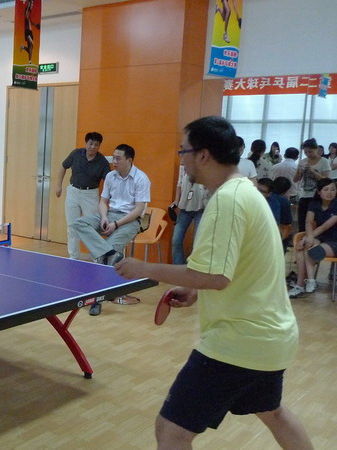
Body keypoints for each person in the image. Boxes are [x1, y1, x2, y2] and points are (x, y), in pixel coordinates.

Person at [114, 116, 312, 450]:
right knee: (272, 412)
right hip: (271, 336)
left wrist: (144, 268)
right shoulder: (244, 191)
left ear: (203, 155)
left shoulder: (227, 201)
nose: (181, 159)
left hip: (239, 341)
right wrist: (195, 289)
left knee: (171, 431)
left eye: (184, 151)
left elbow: (216, 277)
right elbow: (235, 267)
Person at [73, 143, 150, 316]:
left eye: (118, 158)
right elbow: (103, 201)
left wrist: (116, 224)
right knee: (79, 223)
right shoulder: (110, 176)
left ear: (129, 160)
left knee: (104, 260)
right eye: (113, 158)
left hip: (130, 220)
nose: (114, 161)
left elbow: (138, 210)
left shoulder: (141, 178)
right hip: (110, 215)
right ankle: (109, 252)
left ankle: (97, 301)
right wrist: (104, 217)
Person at [53, 132, 110, 259]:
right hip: (73, 192)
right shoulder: (76, 154)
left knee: (92, 227)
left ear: (99, 146)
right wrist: (58, 185)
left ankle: (97, 257)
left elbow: (108, 181)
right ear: (86, 143)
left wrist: (106, 199)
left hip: (91, 194)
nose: (93, 147)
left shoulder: (102, 161)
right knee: (72, 225)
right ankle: (73, 257)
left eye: (96, 145)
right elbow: (63, 167)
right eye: (91, 143)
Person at [288, 178, 337, 298]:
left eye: (333, 189)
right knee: (301, 248)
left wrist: (306, 238)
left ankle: (309, 281)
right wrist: (308, 238)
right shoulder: (314, 204)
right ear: (319, 192)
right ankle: (301, 285)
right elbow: (308, 222)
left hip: (334, 240)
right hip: (320, 237)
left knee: (311, 250)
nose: (330, 192)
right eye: (326, 189)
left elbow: (325, 226)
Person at [169, 163, 207, 265]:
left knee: (197, 243)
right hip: (184, 207)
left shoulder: (206, 164)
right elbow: (179, 183)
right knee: (176, 240)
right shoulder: (183, 165)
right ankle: (178, 268)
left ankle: (193, 268)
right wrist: (176, 200)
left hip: (201, 208)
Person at [294, 138, 330, 232]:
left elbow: (326, 181)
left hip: (318, 195)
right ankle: (301, 237)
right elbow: (295, 180)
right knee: (302, 220)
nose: (308, 154)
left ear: (316, 149)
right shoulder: (303, 161)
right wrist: (299, 171)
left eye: (310, 151)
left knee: (316, 220)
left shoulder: (324, 161)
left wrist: (313, 171)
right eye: (305, 152)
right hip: (303, 194)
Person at [19, 0, 41, 64]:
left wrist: (35, 25)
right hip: (27, 32)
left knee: (31, 48)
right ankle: (29, 60)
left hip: (30, 31)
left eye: (32, 4)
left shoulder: (30, 13)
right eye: (31, 3)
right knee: (31, 43)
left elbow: (30, 21)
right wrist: (29, 4)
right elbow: (26, 15)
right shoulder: (27, 11)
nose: (32, 5)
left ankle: (29, 60)